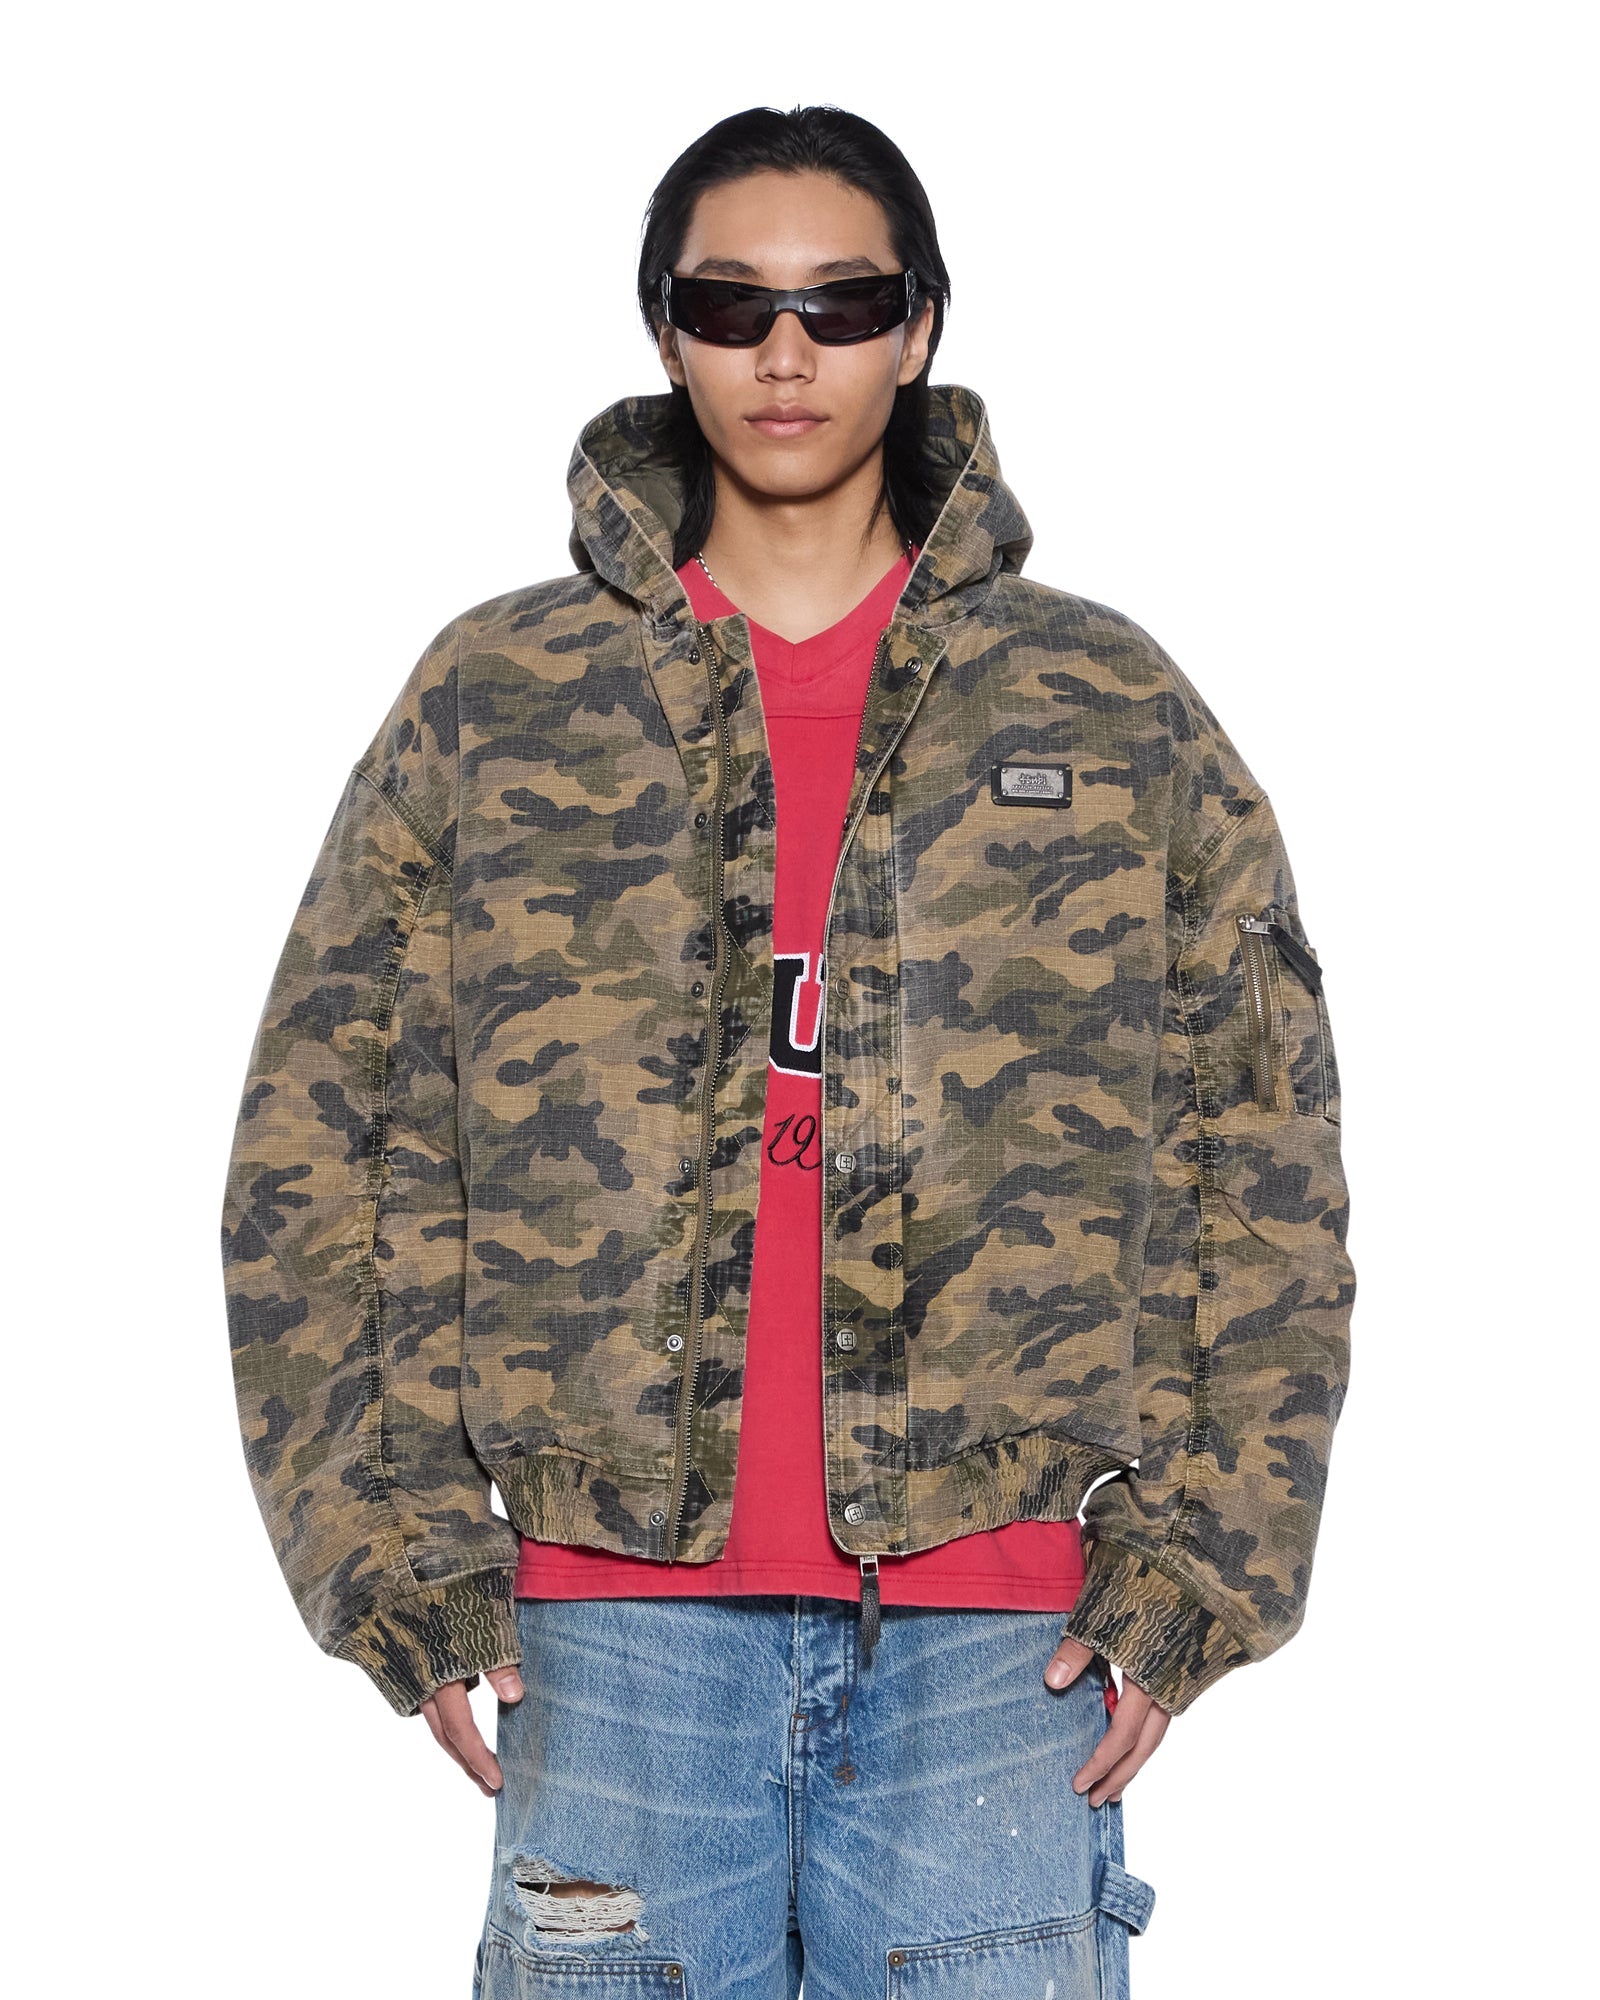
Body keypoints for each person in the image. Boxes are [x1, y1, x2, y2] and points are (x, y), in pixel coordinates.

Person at [220, 103, 1353, 2000]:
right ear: (665, 332)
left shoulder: (1106, 701)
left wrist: (1202, 1567)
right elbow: (319, 1139)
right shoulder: (498, 697)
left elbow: (1267, 1148)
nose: (787, 352)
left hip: (1000, 1634)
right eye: (732, 304)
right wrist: (395, 1554)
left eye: (843, 303)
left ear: (922, 327)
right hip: (607, 1637)